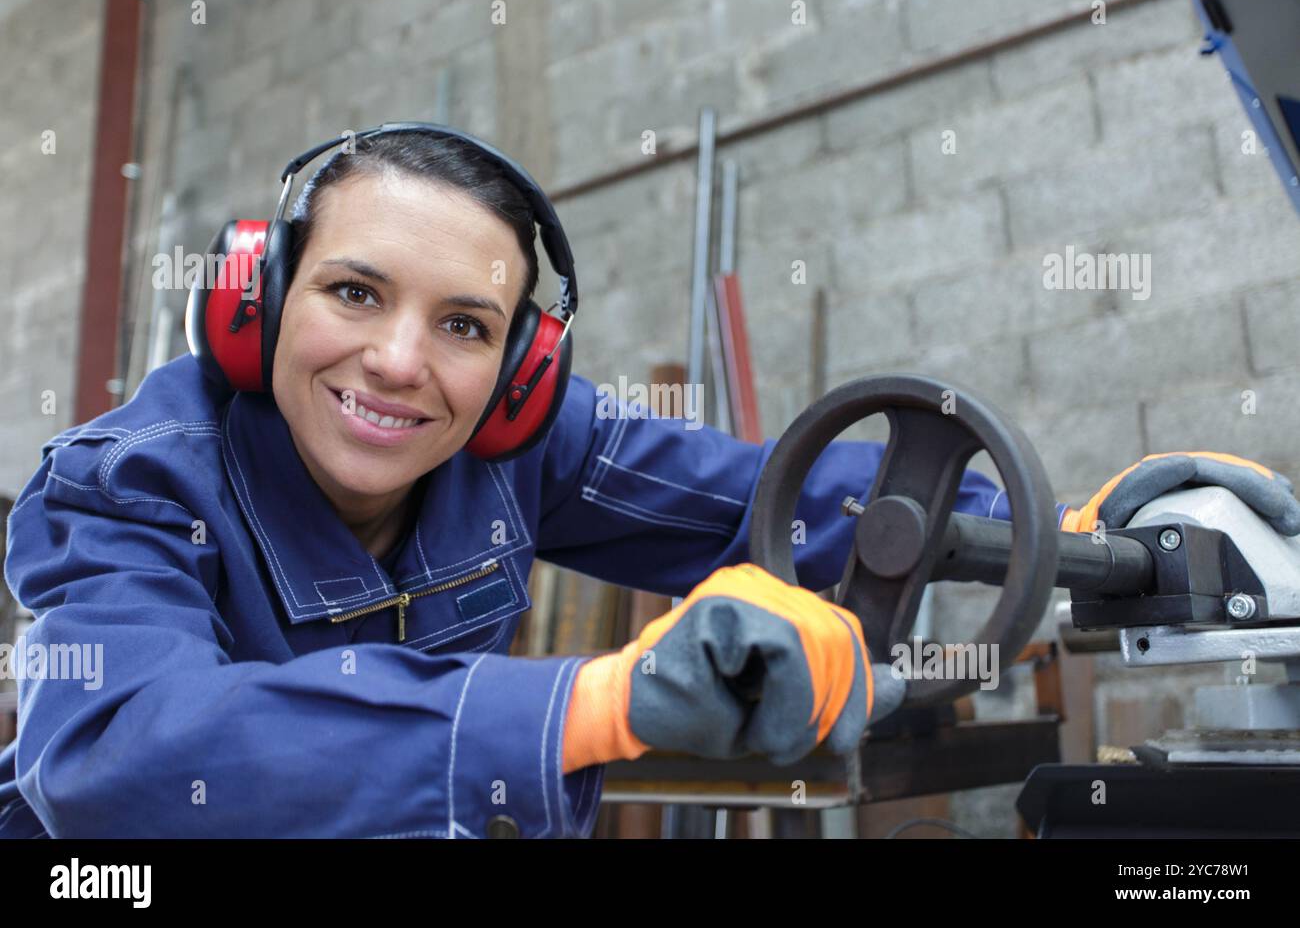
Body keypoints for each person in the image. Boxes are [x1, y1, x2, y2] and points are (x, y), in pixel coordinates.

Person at [1, 126, 1295, 838]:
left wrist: (1041, 529)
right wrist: (596, 704)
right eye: (352, 293)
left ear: (518, 371)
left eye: (463, 325)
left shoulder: (521, 448)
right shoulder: (123, 487)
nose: (396, 364)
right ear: (255, 306)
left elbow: (781, 504)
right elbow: (114, 762)